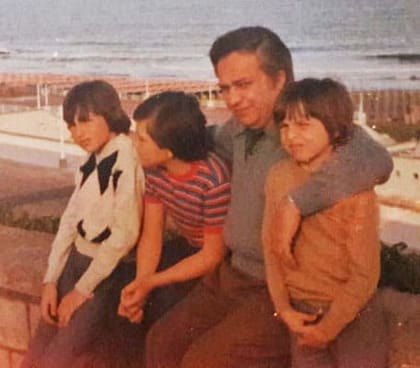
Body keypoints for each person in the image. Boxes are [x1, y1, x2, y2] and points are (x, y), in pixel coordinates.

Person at [144, 26, 393, 368]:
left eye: (243, 85)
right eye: (224, 88)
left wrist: (297, 202)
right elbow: (199, 140)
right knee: (162, 342)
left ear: (280, 80)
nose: (232, 99)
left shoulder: (314, 134)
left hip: (279, 288)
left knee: (205, 361)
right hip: (230, 276)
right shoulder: (240, 128)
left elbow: (377, 159)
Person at [263, 78, 387, 368]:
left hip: (354, 317)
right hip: (301, 313)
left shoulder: (355, 188)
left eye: (303, 125)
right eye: (284, 126)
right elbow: (271, 248)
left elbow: (365, 274)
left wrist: (327, 329)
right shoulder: (278, 177)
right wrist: (283, 308)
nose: (291, 136)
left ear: (334, 128)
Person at [21, 80, 144, 368]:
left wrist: (81, 291)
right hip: (75, 263)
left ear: (110, 114)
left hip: (102, 275)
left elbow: (125, 234)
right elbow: (70, 219)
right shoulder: (91, 158)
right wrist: (51, 280)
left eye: (85, 121)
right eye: (71, 125)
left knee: (60, 355)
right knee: (38, 349)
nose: (77, 133)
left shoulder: (126, 157)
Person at [118, 91, 231, 326]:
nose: (133, 143)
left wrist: (152, 283)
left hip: (218, 259)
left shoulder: (213, 180)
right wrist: (141, 284)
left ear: (168, 151)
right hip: (189, 247)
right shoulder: (155, 170)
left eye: (141, 139)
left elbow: (212, 255)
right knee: (124, 289)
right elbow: (152, 234)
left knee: (166, 305)